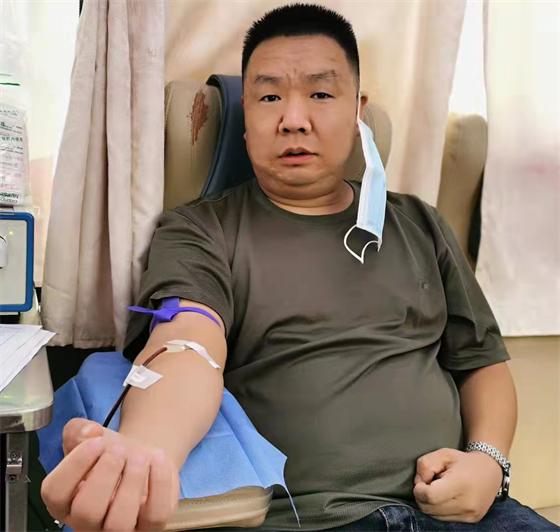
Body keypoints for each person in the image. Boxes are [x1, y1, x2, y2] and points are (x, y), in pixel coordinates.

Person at [40, 4, 559, 532]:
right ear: (245, 119)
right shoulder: (200, 230)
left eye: (321, 94)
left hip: (465, 514)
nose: (293, 118)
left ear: (357, 113)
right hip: (311, 521)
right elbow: (188, 344)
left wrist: (489, 463)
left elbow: (482, 363)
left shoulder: (421, 224)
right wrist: (147, 452)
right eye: (269, 97)